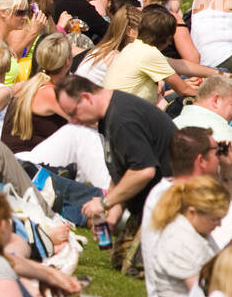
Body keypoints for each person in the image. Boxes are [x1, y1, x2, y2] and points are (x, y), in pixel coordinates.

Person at [57, 75, 177, 229]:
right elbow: (123, 173)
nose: (73, 121)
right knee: (120, 253)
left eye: (73, 113)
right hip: (153, 208)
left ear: (86, 98)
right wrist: (112, 217)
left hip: (171, 211)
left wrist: (104, 203)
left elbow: (143, 171)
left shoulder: (122, 119)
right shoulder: (110, 114)